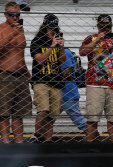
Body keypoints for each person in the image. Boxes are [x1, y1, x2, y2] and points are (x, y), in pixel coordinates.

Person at [80, 14, 113, 142]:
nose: (105, 30)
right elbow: (82, 52)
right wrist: (97, 40)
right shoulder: (91, 38)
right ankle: (90, 147)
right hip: (95, 84)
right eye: (103, 27)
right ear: (98, 26)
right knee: (92, 119)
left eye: (108, 27)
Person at [30, 13, 65, 142]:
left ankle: (48, 140)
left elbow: (62, 61)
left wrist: (61, 47)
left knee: (52, 115)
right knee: (43, 110)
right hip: (41, 79)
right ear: (44, 26)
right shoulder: (37, 41)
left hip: (56, 80)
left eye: (54, 28)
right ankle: (37, 135)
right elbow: (39, 60)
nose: (52, 31)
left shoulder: (58, 38)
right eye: (50, 28)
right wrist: (51, 46)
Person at [0, 1, 31, 143]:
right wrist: (13, 33)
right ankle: (6, 144)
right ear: (6, 15)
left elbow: (20, 54)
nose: (15, 18)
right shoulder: (2, 29)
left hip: (21, 75)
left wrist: (27, 73)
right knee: (4, 113)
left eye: (17, 15)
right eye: (12, 15)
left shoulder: (21, 30)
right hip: (5, 75)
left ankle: (20, 144)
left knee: (19, 113)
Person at [61, 47, 86, 132]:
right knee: (47, 119)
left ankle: (93, 135)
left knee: (79, 121)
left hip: (67, 92)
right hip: (57, 92)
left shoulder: (64, 52)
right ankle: (39, 136)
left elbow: (68, 73)